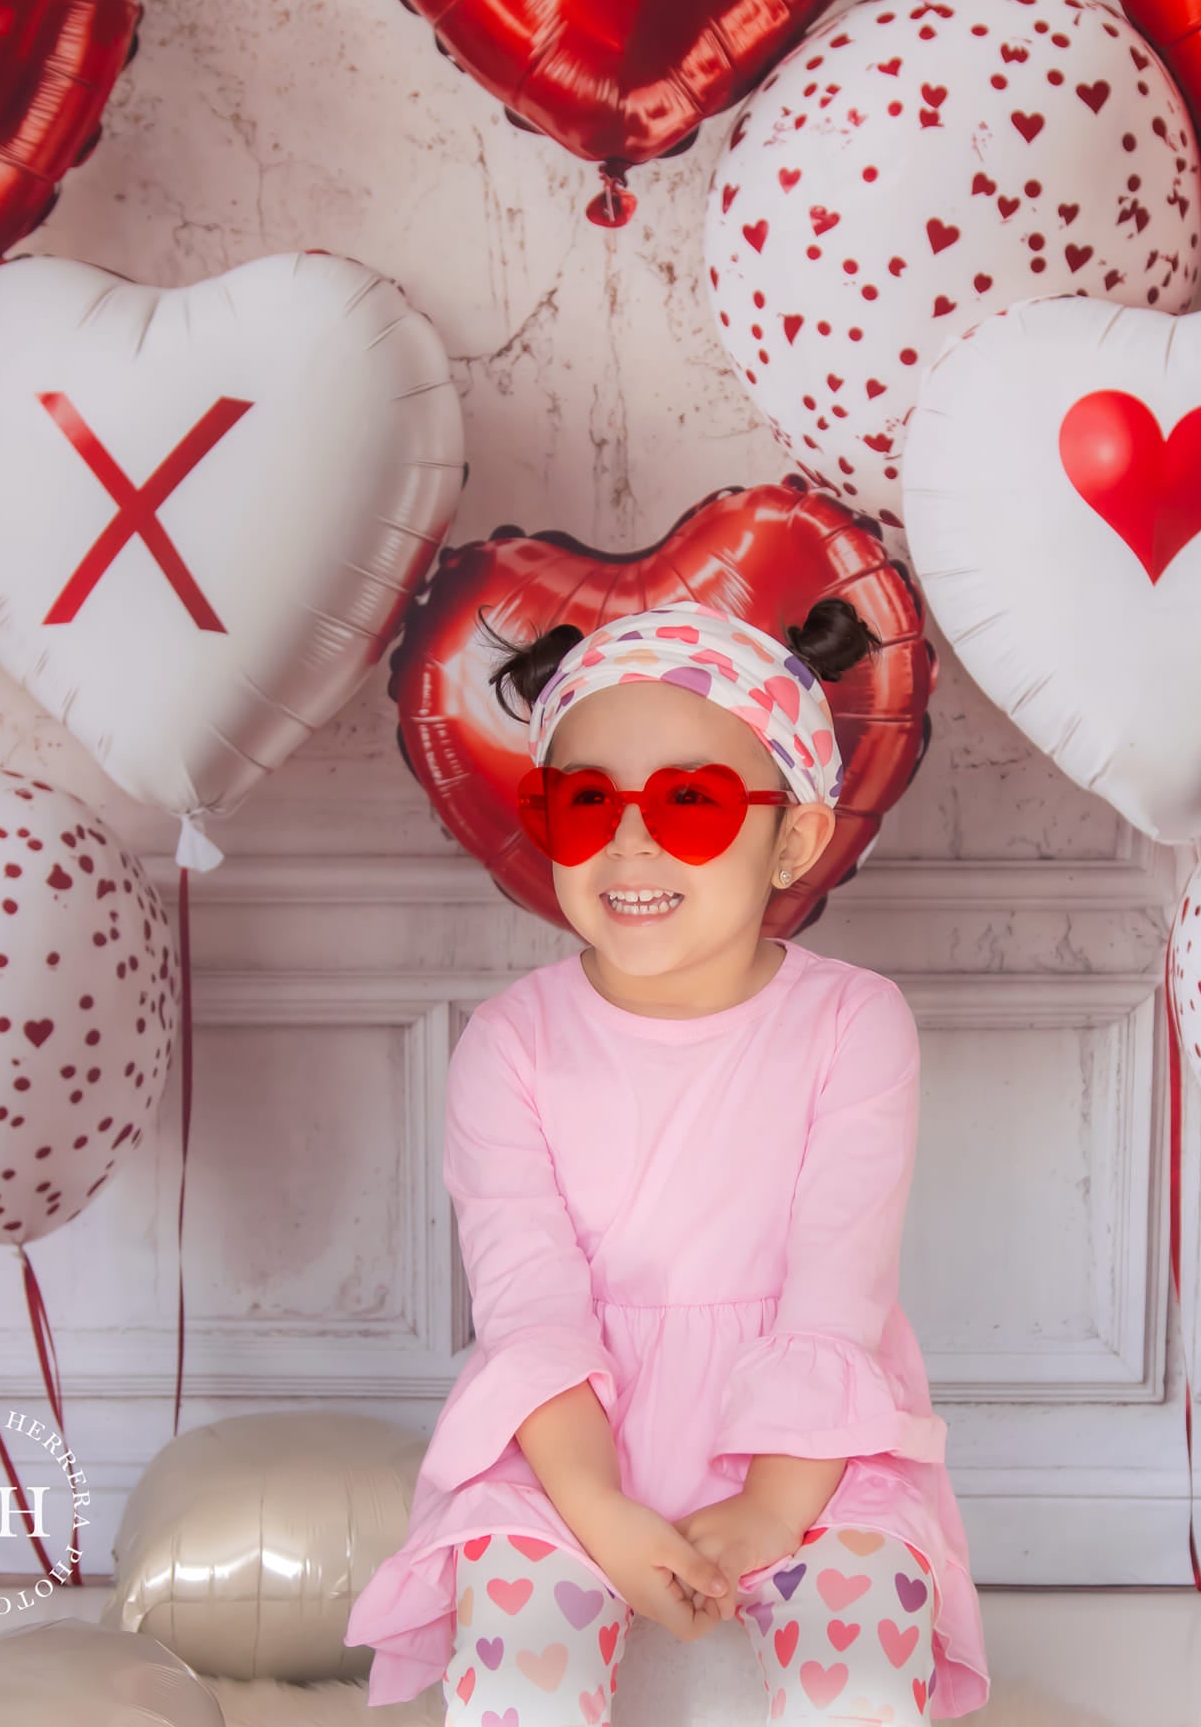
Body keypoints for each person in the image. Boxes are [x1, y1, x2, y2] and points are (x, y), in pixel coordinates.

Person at [344, 596, 991, 1722]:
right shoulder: (510, 1044)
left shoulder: (852, 1022)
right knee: (518, 1666)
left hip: (806, 1445)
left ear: (793, 839)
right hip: (570, 1445)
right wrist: (598, 1512)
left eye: (690, 802)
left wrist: (773, 1508)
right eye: (587, 802)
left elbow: (836, 1291)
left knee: (856, 1668)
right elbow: (529, 1310)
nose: (629, 843)